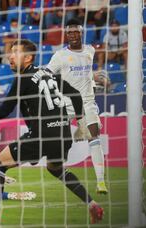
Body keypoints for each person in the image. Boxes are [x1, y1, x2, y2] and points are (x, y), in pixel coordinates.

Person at [0, 39, 103, 225]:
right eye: (10, 52)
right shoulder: (48, 73)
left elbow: (4, 111)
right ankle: (92, 204)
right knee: (56, 169)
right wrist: (81, 123)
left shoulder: (23, 79)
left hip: (42, 134)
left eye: (16, 53)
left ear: (28, 58)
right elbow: (75, 94)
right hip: (63, 134)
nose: (10, 56)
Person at [45, 19, 108, 194]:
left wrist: (94, 78)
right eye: (70, 32)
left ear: (81, 33)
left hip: (87, 103)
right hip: (65, 105)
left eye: (76, 32)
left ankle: (101, 182)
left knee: (94, 136)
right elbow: (47, 75)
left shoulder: (90, 50)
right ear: (66, 34)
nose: (73, 35)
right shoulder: (59, 56)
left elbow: (84, 71)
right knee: (57, 143)